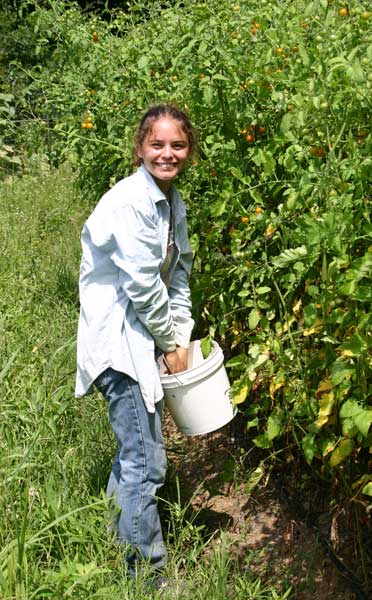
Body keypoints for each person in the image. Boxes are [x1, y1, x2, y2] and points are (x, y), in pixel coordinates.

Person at [75, 104, 196, 582]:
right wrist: (170, 343)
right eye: (157, 144)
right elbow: (144, 285)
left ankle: (110, 533)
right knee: (147, 464)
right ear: (141, 149)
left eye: (178, 145)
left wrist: (179, 336)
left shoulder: (172, 203)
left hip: (141, 336)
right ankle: (148, 575)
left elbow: (179, 274)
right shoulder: (131, 202)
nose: (167, 153)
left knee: (135, 453)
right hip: (119, 343)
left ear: (189, 151)